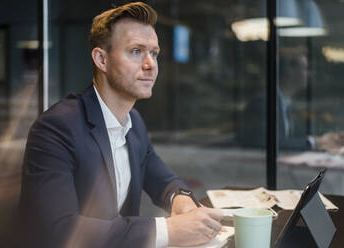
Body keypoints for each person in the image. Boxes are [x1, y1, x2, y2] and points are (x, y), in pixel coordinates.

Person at [19, 2, 224, 248]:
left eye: (154, 53)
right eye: (136, 51)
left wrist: (180, 199)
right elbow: (59, 230)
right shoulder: (56, 128)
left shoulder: (133, 121)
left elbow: (161, 177)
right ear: (101, 59)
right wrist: (167, 230)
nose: (151, 65)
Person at [239, 52, 314, 150]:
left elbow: (295, 132)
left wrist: (322, 139)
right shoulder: (263, 103)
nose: (310, 74)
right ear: (289, 71)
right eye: (304, 68)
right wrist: (312, 143)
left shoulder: (285, 102)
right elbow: (273, 143)